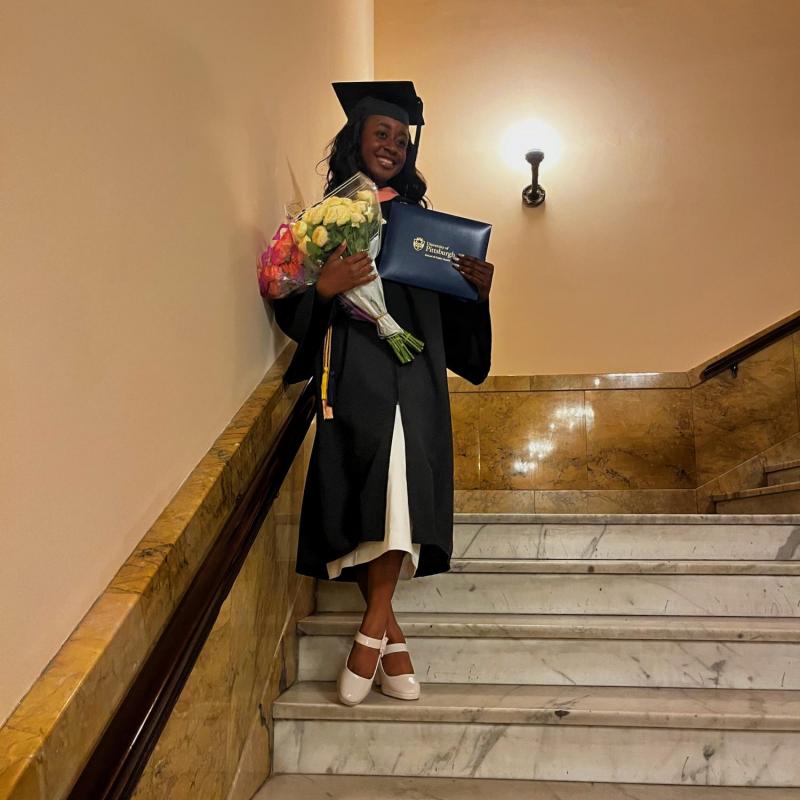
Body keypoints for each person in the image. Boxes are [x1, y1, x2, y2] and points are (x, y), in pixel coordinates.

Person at [271, 81, 493, 706]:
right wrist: (324, 286)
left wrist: (477, 291)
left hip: (415, 377)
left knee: (401, 489)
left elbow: (456, 333)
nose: (392, 145)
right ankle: (389, 638)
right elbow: (293, 304)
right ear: (356, 141)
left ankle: (372, 629)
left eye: (401, 139)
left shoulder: (427, 229)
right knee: (379, 491)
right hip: (357, 377)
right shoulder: (326, 219)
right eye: (381, 134)